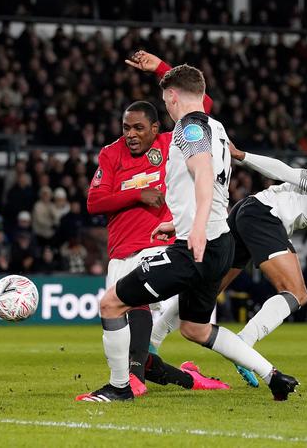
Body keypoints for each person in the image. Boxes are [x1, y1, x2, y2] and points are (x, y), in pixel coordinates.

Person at [80, 64, 299, 402]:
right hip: (220, 242)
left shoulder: (187, 128)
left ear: (172, 96)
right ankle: (273, 375)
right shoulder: (217, 127)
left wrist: (195, 229)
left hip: (197, 247)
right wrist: (181, 222)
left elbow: (202, 172)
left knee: (111, 304)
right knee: (195, 329)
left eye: (165, 99)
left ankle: (120, 387)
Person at [151, 143, 307, 386]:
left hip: (248, 214)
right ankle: (244, 343)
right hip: (265, 215)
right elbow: (286, 172)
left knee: (208, 289)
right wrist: (242, 155)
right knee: (297, 293)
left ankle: (152, 341)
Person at [79, 51, 226, 398]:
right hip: (121, 252)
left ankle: (131, 384)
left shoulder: (172, 141)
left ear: (156, 128)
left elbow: (200, 102)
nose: (130, 134)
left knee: (146, 315)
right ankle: (186, 379)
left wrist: (161, 70)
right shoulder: (110, 153)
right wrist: (137, 194)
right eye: (126, 127)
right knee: (140, 347)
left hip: (160, 245)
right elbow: (94, 202)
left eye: (138, 128)